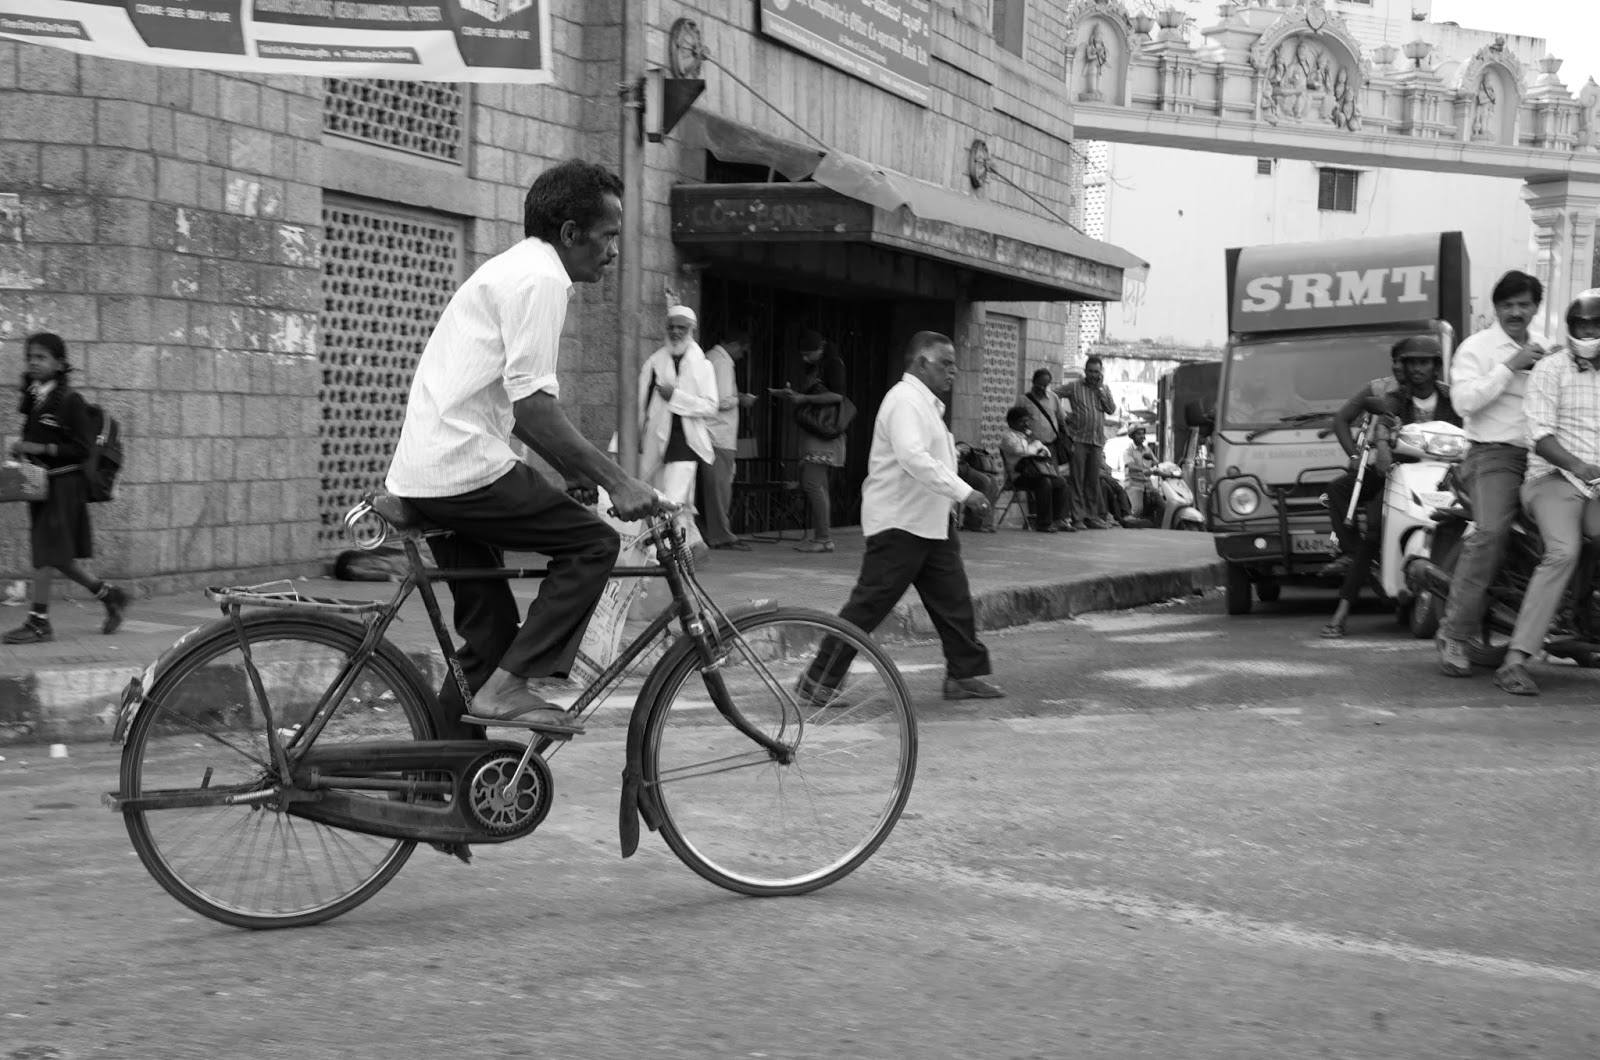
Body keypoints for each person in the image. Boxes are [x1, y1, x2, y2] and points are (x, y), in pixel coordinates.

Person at [385, 159, 657, 736]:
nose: (613, 252)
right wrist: (619, 482)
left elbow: (522, 412)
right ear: (570, 234)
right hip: (463, 469)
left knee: (489, 638)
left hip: (433, 470)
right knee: (591, 544)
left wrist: (568, 468)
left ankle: (440, 787)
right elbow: (533, 408)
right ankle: (510, 688)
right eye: (608, 236)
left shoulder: (517, 269)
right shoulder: (541, 280)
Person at [798, 332, 1004, 704]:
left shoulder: (926, 405)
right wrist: (964, 492)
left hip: (931, 525)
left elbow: (933, 459)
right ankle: (819, 678)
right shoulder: (905, 400)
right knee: (869, 605)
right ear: (921, 362)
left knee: (954, 602)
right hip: (900, 525)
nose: (953, 370)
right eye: (946, 363)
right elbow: (912, 457)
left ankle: (964, 674)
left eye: (955, 363)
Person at [1435, 270, 1548, 677]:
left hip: (1548, 457)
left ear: (1536, 306)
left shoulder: (1550, 349)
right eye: (1508, 305)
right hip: (1494, 455)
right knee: (1491, 532)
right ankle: (1455, 632)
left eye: (1524, 304)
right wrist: (1510, 366)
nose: (1516, 312)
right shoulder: (1477, 349)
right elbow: (1464, 402)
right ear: (1496, 308)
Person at [1491, 290, 1600, 696]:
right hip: (1553, 480)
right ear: (1570, 330)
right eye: (1582, 327)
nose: (1588, 334)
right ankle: (1516, 660)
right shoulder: (1551, 369)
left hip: (1596, 485)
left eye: (1595, 327)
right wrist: (1579, 466)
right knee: (1563, 551)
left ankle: (1583, 616)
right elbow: (1539, 435)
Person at [1320, 336, 1461, 638]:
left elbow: (1472, 426)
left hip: (1446, 475)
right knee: (1369, 527)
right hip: (1398, 473)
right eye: (1411, 363)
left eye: (1424, 362)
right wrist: (1381, 446)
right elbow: (1384, 419)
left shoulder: (1453, 398)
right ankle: (1343, 609)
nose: (1418, 368)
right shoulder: (1397, 396)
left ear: (1436, 366)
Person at [1, 332, 129, 644]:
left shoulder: (71, 402)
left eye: (41, 357)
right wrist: (22, 451)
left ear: (59, 364)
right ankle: (110, 595)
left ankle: (38, 622)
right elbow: (44, 441)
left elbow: (83, 449)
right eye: (30, 355)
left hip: (65, 486)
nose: (34, 361)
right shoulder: (35, 398)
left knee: (47, 552)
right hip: (41, 485)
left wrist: (36, 447)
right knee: (57, 556)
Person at [638, 305, 719, 551]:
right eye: (671, 327)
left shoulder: (703, 365)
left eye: (681, 328)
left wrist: (676, 397)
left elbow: (710, 406)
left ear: (691, 330)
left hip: (686, 443)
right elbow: (639, 405)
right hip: (655, 440)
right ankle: (689, 547)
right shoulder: (654, 363)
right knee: (657, 497)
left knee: (672, 500)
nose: (675, 332)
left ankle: (662, 553)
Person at [773, 330, 847, 554]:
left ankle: (824, 538)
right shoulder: (820, 365)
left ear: (821, 348)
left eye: (809, 354)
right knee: (818, 485)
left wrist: (804, 398)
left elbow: (837, 396)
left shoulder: (833, 364)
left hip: (823, 433)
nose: (805, 359)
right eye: (802, 355)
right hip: (816, 432)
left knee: (813, 484)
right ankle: (822, 537)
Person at [702, 326, 756, 551]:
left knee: (715, 488)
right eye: (742, 351)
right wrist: (741, 399)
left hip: (712, 434)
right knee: (720, 489)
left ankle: (716, 533)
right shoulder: (722, 362)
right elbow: (722, 400)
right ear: (734, 345)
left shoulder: (710, 358)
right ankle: (721, 536)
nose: (742, 356)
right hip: (719, 435)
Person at [1059, 356, 1117, 529]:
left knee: (1093, 481)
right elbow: (1053, 396)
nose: (1093, 375)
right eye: (1090, 371)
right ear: (1085, 371)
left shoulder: (1104, 389)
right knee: (1077, 480)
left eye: (1096, 372)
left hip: (1097, 441)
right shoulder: (1075, 387)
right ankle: (1077, 517)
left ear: (1101, 373)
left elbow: (1111, 409)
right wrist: (1066, 417)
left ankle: (1091, 516)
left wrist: (1100, 390)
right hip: (1078, 440)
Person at [998, 406, 1071, 532]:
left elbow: (1045, 451)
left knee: (1061, 482)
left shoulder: (1029, 436)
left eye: (1027, 420)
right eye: (1022, 421)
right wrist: (1032, 447)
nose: (1026, 424)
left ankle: (1058, 519)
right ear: (1012, 423)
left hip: (1037, 472)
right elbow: (1019, 450)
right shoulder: (1008, 437)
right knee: (1044, 483)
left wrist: (1035, 449)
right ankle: (1043, 523)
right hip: (1019, 476)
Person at [1122, 425, 1159, 521]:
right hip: (1134, 484)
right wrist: (1143, 470)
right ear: (1132, 436)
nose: (1142, 436)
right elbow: (1130, 465)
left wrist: (1161, 467)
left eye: (1143, 433)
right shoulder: (1128, 450)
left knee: (1162, 504)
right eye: (1139, 434)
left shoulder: (1148, 450)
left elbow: (1155, 462)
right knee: (1137, 510)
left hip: (1148, 485)